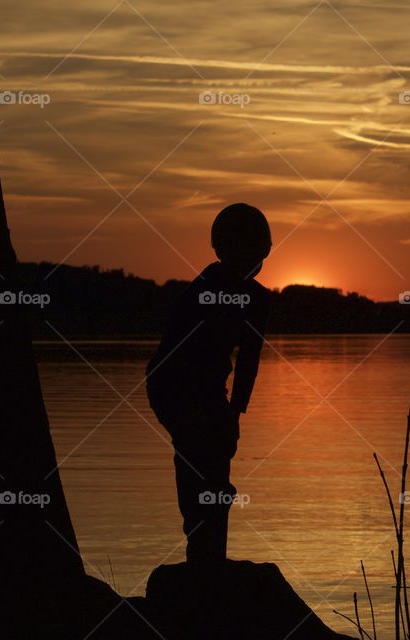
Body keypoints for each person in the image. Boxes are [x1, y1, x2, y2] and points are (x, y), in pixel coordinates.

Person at [146, 203, 272, 564]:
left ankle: (209, 554)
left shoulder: (258, 299)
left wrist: (235, 411)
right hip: (174, 384)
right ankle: (202, 554)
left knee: (213, 466)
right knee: (200, 463)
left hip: (207, 390)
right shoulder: (205, 287)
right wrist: (221, 414)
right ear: (222, 250)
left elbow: (249, 359)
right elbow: (182, 349)